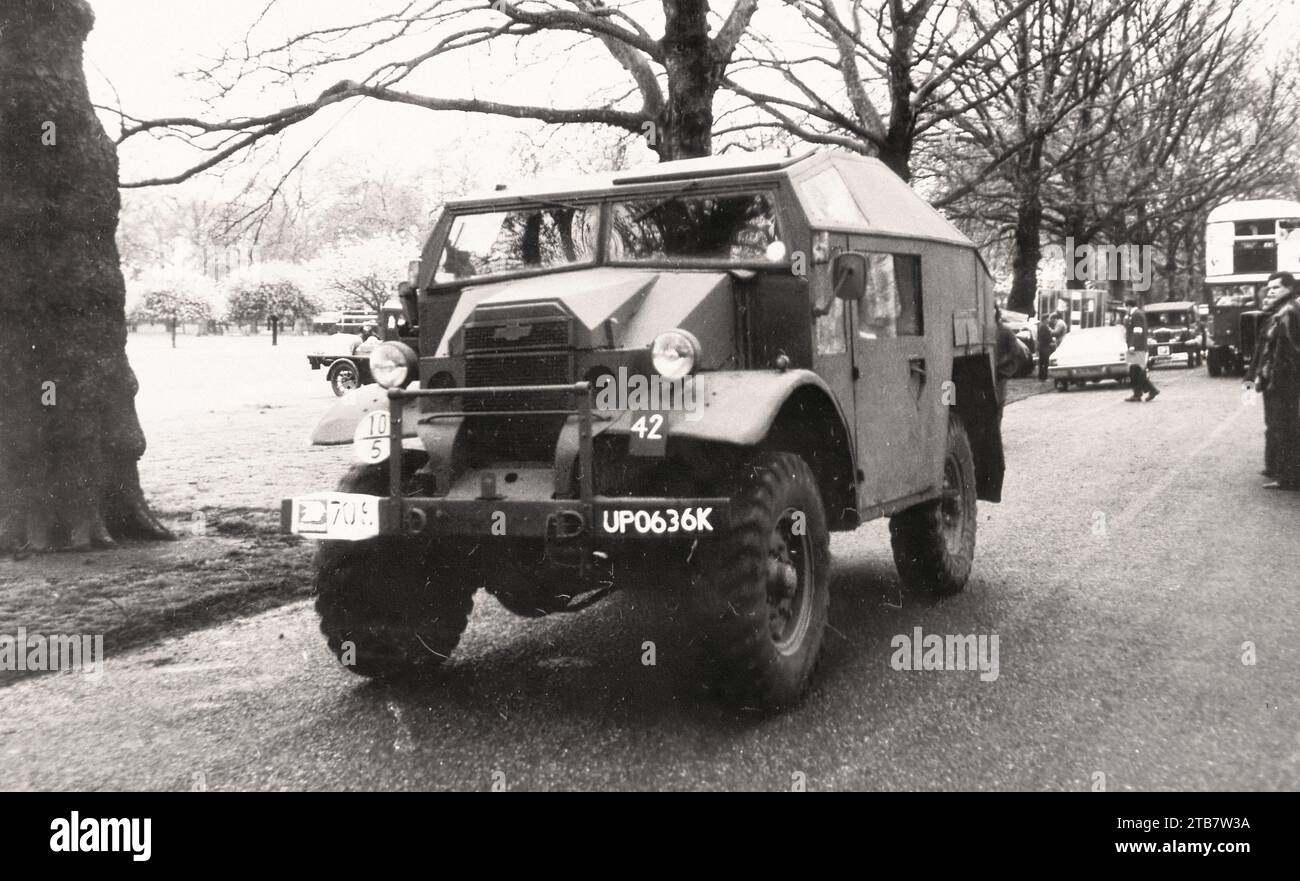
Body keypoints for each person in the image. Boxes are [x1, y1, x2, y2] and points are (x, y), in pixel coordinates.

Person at [1249, 272, 1300, 489]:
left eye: (1275, 288)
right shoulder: (1280, 311)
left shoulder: (1288, 312)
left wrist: (1275, 381)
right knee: (1276, 426)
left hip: (1282, 383)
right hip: (1276, 381)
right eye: (1268, 288)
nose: (1270, 292)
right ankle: (1276, 468)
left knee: (1284, 427)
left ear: (1290, 288)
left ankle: (1288, 477)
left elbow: (1290, 351)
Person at [995, 307, 1031, 411]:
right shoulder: (987, 330)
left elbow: (1015, 350)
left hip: (1000, 371)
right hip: (990, 369)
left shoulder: (1005, 331)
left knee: (998, 400)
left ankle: (997, 419)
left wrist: (1002, 363)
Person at [1123, 298, 1159, 402]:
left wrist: (1133, 345)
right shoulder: (1133, 315)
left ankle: (1146, 391)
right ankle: (1140, 393)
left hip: (1137, 348)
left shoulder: (1136, 315)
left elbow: (1137, 331)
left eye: (1125, 307)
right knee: (1135, 371)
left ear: (1129, 306)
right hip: (1136, 347)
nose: (1125, 309)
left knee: (1136, 372)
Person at [1036, 312, 1055, 381]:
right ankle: (1044, 377)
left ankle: (1041, 377)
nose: (1049, 320)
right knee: (1045, 362)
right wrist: (1051, 340)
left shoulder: (1042, 326)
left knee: (1042, 362)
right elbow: (1045, 336)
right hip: (1045, 346)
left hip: (1042, 346)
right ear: (1045, 319)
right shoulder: (1044, 327)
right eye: (1048, 318)